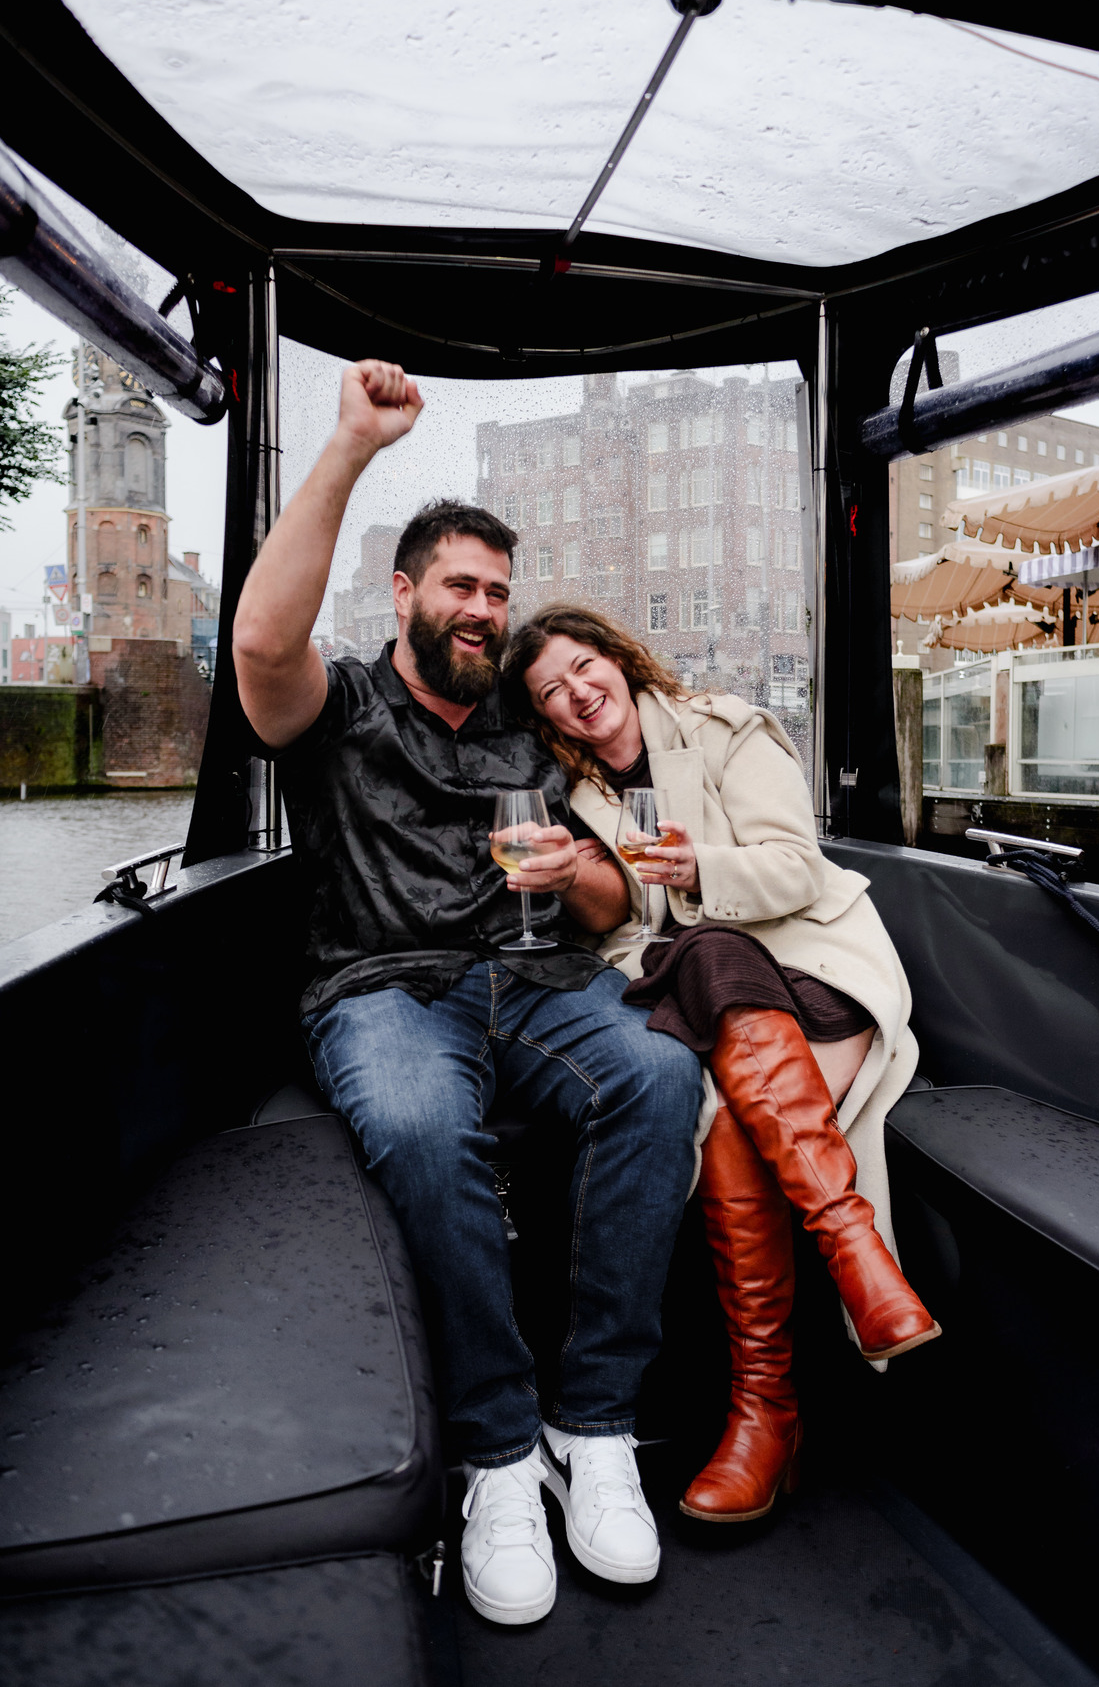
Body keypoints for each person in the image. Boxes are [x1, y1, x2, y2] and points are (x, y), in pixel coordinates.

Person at [232, 363, 702, 1626]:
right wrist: (349, 446)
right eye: (460, 585)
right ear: (406, 591)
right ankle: (498, 1451)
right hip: (384, 989)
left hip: (533, 980)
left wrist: (586, 866)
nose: (485, 610)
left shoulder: (524, 716)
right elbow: (260, 647)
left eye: (499, 590)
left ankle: (593, 1422)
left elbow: (613, 893)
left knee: (660, 1071)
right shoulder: (343, 701)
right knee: (427, 1124)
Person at [504, 604, 939, 1527]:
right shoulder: (578, 800)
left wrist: (698, 867)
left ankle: (765, 1413)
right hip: (723, 1000)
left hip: (813, 967)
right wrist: (579, 883)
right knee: (710, 1006)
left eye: (586, 668)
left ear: (619, 661)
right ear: (546, 719)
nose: (580, 695)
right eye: (553, 693)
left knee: (708, 967)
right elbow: (626, 932)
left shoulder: (725, 728)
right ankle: (855, 1265)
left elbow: (798, 870)